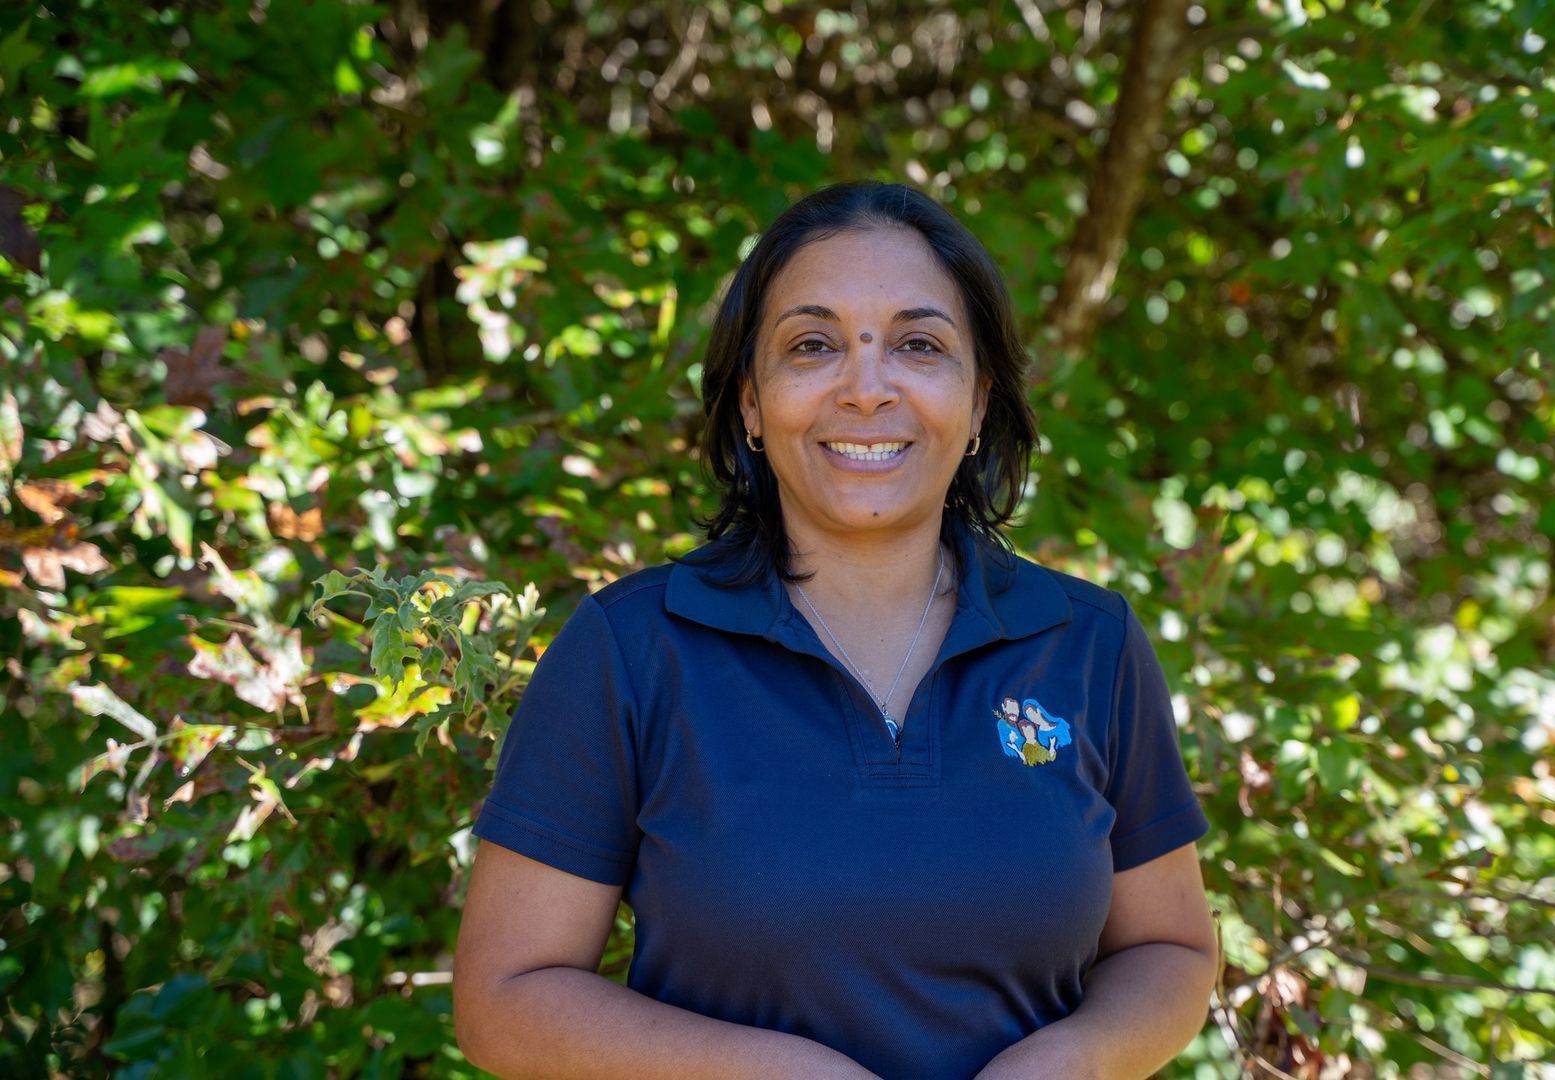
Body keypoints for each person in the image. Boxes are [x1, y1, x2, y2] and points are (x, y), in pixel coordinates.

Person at [451, 180, 1216, 1080]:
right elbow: (505, 997)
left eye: (918, 345)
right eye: (812, 346)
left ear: (977, 405)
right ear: (750, 405)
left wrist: (1070, 1061)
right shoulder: (631, 649)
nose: (865, 389)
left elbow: (1171, 951)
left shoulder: (1088, 644)